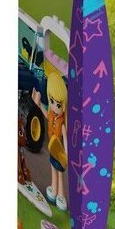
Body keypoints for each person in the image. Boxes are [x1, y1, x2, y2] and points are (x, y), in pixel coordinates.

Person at [32, 73, 67, 211]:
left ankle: (61, 194)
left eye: (58, 104)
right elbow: (47, 115)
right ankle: (54, 188)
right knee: (53, 167)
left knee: (59, 171)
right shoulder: (52, 115)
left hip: (59, 150)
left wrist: (66, 154)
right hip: (52, 148)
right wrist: (40, 104)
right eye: (51, 101)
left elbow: (65, 139)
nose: (54, 107)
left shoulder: (62, 124)